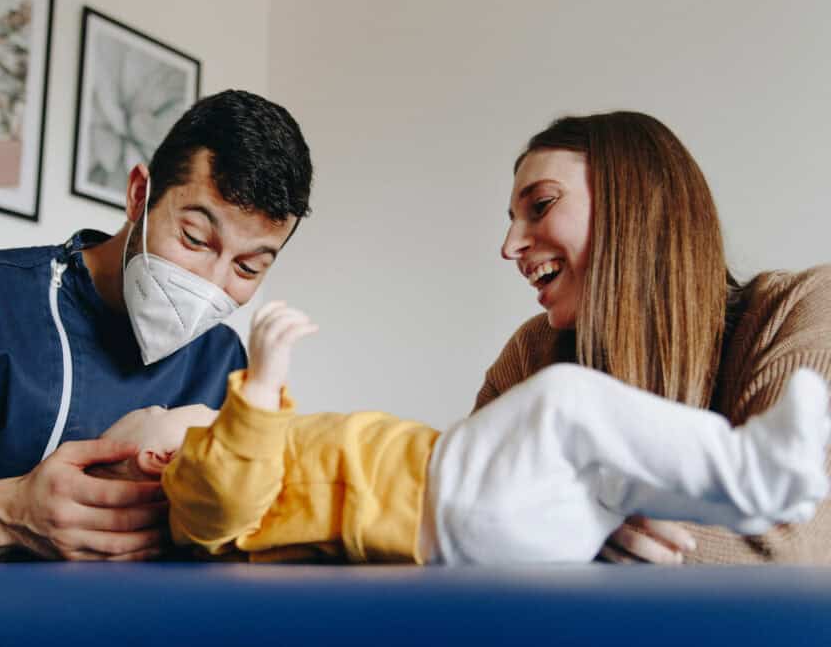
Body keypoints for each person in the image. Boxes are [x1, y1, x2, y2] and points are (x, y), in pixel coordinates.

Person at [0, 89, 313, 565]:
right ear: (139, 196)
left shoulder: (223, 362)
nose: (211, 281)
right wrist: (7, 512)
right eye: (195, 237)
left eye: (248, 268)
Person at [118, 301, 829, 565]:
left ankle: (750, 494)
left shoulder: (257, 451)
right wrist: (263, 379)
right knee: (564, 399)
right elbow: (222, 495)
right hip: (446, 503)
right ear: (158, 454)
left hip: (481, 521)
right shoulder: (198, 478)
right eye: (170, 411)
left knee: (616, 481)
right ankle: (754, 471)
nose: (201, 405)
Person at [487, 111, 831, 564]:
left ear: (634, 203)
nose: (510, 246)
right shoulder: (532, 356)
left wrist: (590, 524)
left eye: (542, 205)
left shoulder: (801, 309)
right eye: (513, 219)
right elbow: (468, 515)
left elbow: (790, 549)